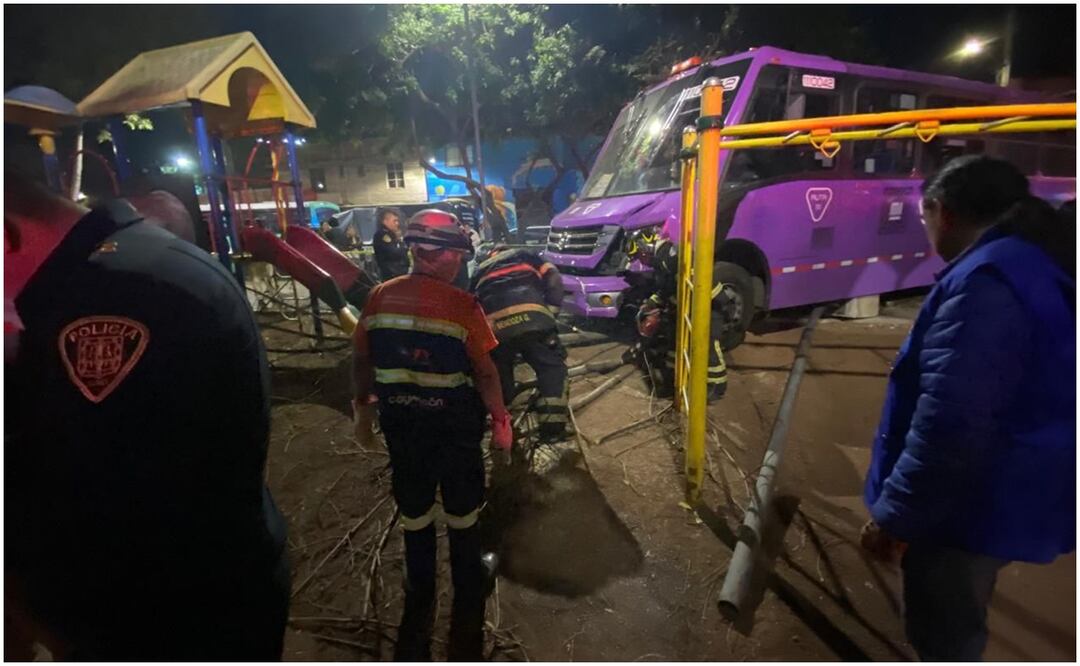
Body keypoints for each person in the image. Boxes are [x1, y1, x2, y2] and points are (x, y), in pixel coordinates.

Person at [4, 175, 290, 660]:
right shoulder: (135, 266)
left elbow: (92, 499)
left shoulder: (105, 298)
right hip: (209, 593)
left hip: (160, 620)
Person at [861, 156, 1075, 661]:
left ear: (943, 212)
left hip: (968, 506)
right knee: (963, 615)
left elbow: (952, 423)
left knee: (945, 634)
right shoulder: (1033, 262)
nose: (927, 231)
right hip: (1013, 489)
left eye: (924, 219)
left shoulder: (986, 284)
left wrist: (896, 520)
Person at [352, 209, 512, 661]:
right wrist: (500, 419)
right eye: (459, 255)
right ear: (442, 257)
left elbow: (362, 360)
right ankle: (467, 584)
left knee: (414, 508)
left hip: (402, 429)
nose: (461, 264)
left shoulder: (379, 297)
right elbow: (485, 372)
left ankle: (419, 585)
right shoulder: (463, 306)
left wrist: (362, 409)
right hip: (455, 433)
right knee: (462, 510)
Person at [471, 244, 569, 442]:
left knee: (500, 375)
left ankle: (504, 425)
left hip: (497, 330)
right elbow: (555, 280)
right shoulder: (527, 255)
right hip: (535, 321)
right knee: (551, 368)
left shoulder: (478, 272)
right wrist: (551, 315)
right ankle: (552, 428)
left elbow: (471, 307)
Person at [626, 238, 727, 400]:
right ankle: (679, 380)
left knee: (709, 347)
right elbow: (667, 288)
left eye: (639, 256)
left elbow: (695, 285)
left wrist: (672, 307)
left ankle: (716, 387)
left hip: (708, 307)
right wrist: (651, 304)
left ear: (645, 249)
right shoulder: (664, 259)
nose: (641, 261)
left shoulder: (670, 258)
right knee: (676, 341)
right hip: (695, 307)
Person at [372, 206, 409, 280]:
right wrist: (403, 244)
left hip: (398, 274)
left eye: (397, 221)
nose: (397, 223)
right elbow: (394, 253)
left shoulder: (391, 235)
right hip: (392, 275)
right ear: (385, 221)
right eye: (394, 221)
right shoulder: (382, 235)